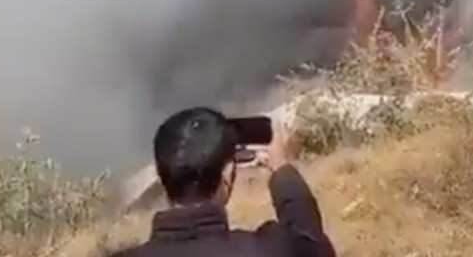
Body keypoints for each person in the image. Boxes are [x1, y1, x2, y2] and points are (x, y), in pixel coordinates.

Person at [109, 107, 336, 257]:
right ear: (227, 175)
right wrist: (283, 171)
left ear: (162, 175)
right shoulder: (267, 249)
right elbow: (312, 246)